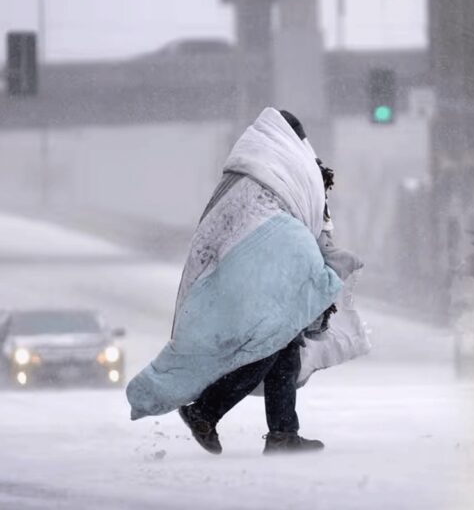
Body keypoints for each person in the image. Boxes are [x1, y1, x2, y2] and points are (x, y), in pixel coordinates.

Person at [127, 108, 363, 455]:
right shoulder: (280, 171)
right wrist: (318, 262)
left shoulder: (250, 173)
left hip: (250, 275)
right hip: (259, 277)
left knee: (283, 349)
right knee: (267, 347)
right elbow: (288, 225)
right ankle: (206, 411)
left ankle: (283, 433)